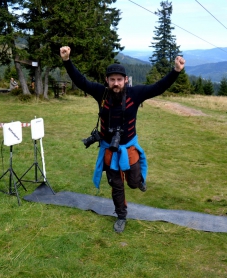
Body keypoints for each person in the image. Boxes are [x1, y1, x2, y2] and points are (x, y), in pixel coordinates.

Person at [60, 46, 185, 233]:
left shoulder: (136, 94)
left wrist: (176, 71)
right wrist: (67, 60)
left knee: (133, 182)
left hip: (129, 148)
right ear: (107, 81)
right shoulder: (101, 93)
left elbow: (158, 87)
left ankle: (139, 180)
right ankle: (121, 215)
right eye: (112, 80)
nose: (116, 83)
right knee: (116, 186)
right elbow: (81, 81)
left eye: (119, 80)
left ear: (125, 80)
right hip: (109, 150)